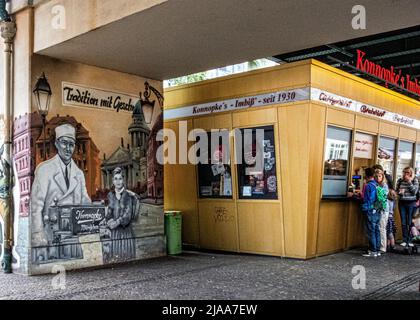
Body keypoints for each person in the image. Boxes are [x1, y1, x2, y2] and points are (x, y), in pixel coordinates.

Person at [31, 123, 91, 262]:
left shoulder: (79, 174)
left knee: (76, 273)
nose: (68, 148)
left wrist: (95, 211)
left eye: (72, 144)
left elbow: (84, 201)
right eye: (64, 143)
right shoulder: (44, 170)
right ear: (57, 144)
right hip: (51, 238)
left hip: (72, 239)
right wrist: (38, 235)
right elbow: (35, 207)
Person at [103, 167, 137, 263]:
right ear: (113, 181)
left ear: (123, 180)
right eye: (115, 179)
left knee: (127, 258)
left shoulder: (127, 195)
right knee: (116, 258)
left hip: (125, 232)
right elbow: (109, 211)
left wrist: (117, 222)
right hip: (115, 233)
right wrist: (108, 220)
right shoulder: (110, 195)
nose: (118, 181)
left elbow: (128, 215)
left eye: (120, 178)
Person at [396, 167, 419, 248]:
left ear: (411, 173)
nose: (405, 174)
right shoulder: (400, 180)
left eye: (407, 172)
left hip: (411, 203)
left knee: (409, 222)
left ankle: (410, 240)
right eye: (404, 172)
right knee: (403, 222)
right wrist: (399, 193)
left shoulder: (414, 180)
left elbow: (414, 192)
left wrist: (409, 182)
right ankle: (405, 240)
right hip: (402, 203)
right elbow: (396, 191)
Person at [361, 167, 381, 257]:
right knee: (377, 230)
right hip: (377, 210)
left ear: (366, 175)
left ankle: (372, 250)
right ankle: (377, 250)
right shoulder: (377, 185)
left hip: (370, 210)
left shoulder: (368, 186)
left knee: (371, 231)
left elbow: (365, 198)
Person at [373, 169, 389, 254]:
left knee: (382, 228)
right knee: (377, 228)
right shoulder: (374, 184)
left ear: (383, 176)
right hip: (377, 209)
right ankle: (378, 245)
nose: (378, 177)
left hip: (383, 209)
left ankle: (383, 247)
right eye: (376, 176)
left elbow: (382, 198)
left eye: (379, 176)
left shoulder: (384, 185)